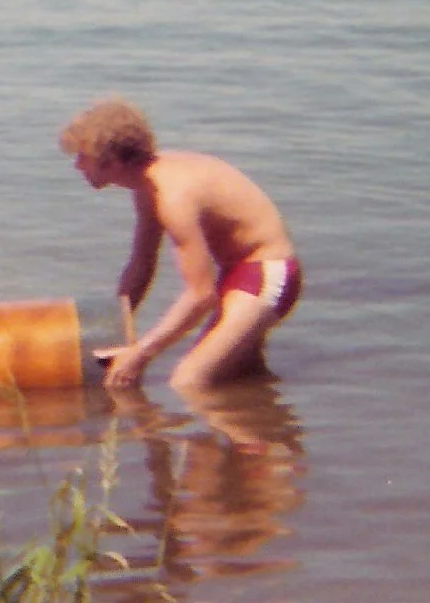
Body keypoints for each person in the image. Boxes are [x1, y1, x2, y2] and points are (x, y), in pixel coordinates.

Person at [60, 98, 302, 394]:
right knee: (243, 382)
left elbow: (201, 296)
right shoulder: (148, 185)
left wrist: (141, 353)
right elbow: (141, 266)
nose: (77, 165)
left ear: (111, 162)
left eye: (83, 157)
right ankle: (268, 428)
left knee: (188, 383)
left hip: (266, 274)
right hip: (237, 272)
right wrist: (110, 331)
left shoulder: (173, 196)